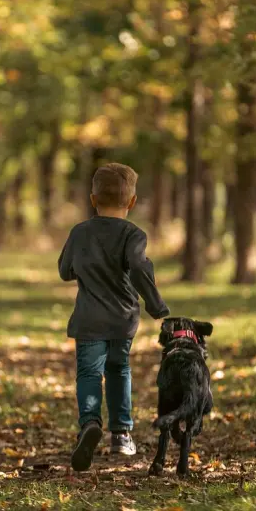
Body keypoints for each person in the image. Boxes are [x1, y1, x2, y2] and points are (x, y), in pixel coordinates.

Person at [58, 162, 170, 472]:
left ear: (93, 200)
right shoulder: (134, 234)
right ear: (132, 202)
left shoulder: (80, 232)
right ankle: (121, 434)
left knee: (89, 373)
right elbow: (139, 270)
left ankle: (90, 424)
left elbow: (65, 270)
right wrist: (157, 306)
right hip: (123, 320)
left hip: (88, 320)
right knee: (119, 369)